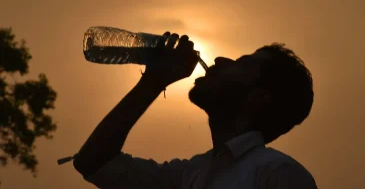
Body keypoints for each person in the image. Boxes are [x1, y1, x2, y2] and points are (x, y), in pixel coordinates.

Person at [72, 32, 317, 188]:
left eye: (242, 63)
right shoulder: (189, 175)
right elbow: (93, 162)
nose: (220, 60)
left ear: (260, 96)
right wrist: (153, 82)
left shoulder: (278, 174)